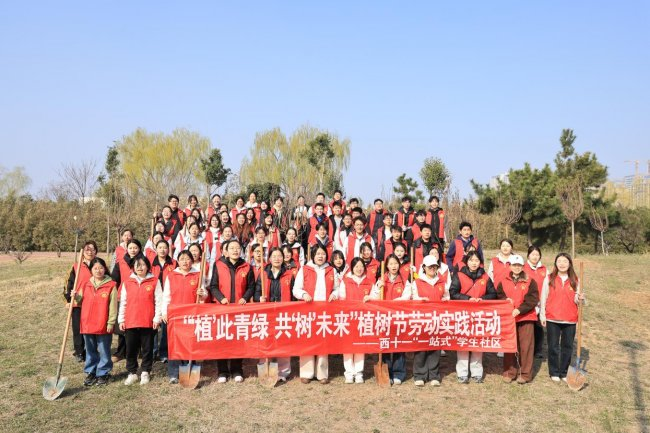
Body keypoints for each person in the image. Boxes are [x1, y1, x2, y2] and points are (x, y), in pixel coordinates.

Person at [209, 240, 256, 383]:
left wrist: (245, 298)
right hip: (222, 308)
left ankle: (237, 370)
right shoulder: (218, 265)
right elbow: (213, 286)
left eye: (237, 248)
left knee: (238, 339)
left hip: (239, 310)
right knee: (222, 339)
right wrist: (221, 298)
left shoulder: (247, 266)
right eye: (232, 248)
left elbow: (251, 287)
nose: (235, 250)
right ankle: (222, 371)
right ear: (226, 251)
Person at [292, 245, 339, 384]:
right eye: (318, 254)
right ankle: (307, 373)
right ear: (313, 255)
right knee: (307, 340)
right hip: (308, 310)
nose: (320, 256)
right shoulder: (305, 269)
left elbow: (338, 288)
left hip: (325, 311)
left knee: (323, 341)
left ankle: (322, 373)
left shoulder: (331, 270)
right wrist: (303, 294)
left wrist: (334, 294)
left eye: (323, 254)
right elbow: (296, 289)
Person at [449, 251, 497, 383]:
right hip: (463, 314)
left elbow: (493, 293)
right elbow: (453, 292)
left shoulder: (485, 276)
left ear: (480, 262)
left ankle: (477, 372)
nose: (474, 263)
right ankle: (462, 373)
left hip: (479, 316)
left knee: (477, 343)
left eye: (476, 260)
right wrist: (467, 299)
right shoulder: (459, 275)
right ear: (467, 262)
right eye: (471, 260)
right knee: (463, 342)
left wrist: (483, 299)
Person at [162, 250, 208, 384]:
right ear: (178, 261)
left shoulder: (198, 275)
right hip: (175, 314)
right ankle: (174, 373)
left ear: (192, 261)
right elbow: (166, 296)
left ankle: (191, 367)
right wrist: (165, 312)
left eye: (187, 259)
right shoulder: (171, 276)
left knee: (190, 342)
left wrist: (202, 293)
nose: (185, 262)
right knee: (175, 343)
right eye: (182, 259)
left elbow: (204, 294)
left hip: (191, 314)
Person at [540, 253, 585, 383]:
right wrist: (542, 314)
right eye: (559, 261)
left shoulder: (575, 280)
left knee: (567, 347)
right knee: (553, 346)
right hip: (552, 317)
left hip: (570, 318)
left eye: (565, 261)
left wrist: (581, 298)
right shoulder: (549, 278)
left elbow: (578, 299)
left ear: (569, 264)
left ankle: (564, 372)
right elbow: (543, 297)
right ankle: (554, 372)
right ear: (555, 263)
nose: (562, 264)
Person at [118, 255, 162, 386]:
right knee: (131, 348)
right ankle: (132, 372)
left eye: (143, 264)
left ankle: (145, 371)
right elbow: (123, 302)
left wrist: (157, 318)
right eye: (137, 265)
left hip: (148, 321)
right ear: (133, 267)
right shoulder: (127, 282)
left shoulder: (154, 281)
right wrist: (121, 319)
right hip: (131, 320)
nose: (140, 267)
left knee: (147, 348)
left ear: (147, 266)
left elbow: (159, 301)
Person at [495, 254, 539, 384]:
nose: (517, 267)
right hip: (509, 318)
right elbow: (499, 295)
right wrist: (505, 300)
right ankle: (509, 372)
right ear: (510, 266)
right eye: (514, 265)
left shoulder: (530, 281)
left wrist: (520, 309)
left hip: (526, 317)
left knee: (526, 347)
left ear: (523, 266)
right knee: (510, 346)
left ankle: (525, 374)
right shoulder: (503, 280)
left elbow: (532, 299)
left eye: (519, 265)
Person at [368, 254, 411, 385]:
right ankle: (388, 372)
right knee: (385, 344)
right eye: (391, 264)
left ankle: (398, 373)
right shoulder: (381, 280)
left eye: (396, 263)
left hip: (399, 317)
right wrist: (378, 288)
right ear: (386, 265)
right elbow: (373, 297)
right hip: (384, 317)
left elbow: (407, 296)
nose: (394, 266)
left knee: (399, 344)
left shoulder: (404, 280)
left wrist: (393, 303)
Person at [254, 247, 295, 381]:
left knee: (283, 341)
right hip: (267, 313)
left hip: (283, 314)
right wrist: (259, 298)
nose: (277, 258)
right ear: (270, 259)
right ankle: (264, 367)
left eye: (279, 256)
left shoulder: (289, 275)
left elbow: (294, 296)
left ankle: (283, 372)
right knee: (265, 341)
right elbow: (256, 293)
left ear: (283, 258)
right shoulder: (263, 274)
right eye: (274, 256)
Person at [75, 257, 117, 387]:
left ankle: (103, 372)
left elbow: (113, 306)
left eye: (101, 268)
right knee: (90, 349)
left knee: (104, 349)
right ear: (91, 270)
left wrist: (111, 322)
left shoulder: (111, 285)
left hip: (103, 323)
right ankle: (91, 371)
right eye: (95, 268)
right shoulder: (86, 284)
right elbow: (79, 301)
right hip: (87, 323)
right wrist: (75, 296)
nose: (98, 271)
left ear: (105, 269)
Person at [411, 256, 450, 386]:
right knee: (421, 347)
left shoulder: (442, 282)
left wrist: (445, 301)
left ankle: (434, 375)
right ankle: (419, 375)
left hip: (437, 319)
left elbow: (447, 297)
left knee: (435, 346)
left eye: (434, 266)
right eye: (430, 267)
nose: (432, 269)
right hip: (421, 319)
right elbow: (413, 298)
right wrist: (420, 300)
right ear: (424, 268)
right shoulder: (417, 282)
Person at [338, 257, 373, 384]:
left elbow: (374, 296)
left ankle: (358, 373)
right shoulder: (346, 281)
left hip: (363, 318)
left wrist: (370, 297)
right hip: (348, 318)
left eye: (361, 266)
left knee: (360, 346)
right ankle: (349, 373)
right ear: (352, 268)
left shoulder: (369, 282)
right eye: (356, 266)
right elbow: (341, 297)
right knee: (348, 346)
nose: (359, 269)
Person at [64, 240, 97, 363]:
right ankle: (79, 351)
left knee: (91, 327)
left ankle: (91, 350)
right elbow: (68, 284)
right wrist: (69, 299)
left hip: (94, 302)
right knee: (78, 328)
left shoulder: (99, 265)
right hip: (78, 303)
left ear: (96, 251)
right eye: (87, 249)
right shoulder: (76, 266)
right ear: (83, 252)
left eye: (92, 249)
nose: (90, 252)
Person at [110, 238, 142, 363]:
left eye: (135, 248)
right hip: (122, 297)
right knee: (122, 326)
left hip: (138, 297)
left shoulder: (143, 262)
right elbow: (114, 279)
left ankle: (136, 351)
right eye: (130, 248)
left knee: (137, 325)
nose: (133, 250)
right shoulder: (121, 262)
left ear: (139, 249)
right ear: (127, 249)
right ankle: (121, 352)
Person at [150, 239, 176, 363]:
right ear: (156, 249)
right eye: (160, 247)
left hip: (168, 297)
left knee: (166, 326)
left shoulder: (174, 263)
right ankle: (153, 351)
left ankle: (164, 352)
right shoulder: (151, 263)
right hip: (153, 296)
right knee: (154, 324)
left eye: (165, 247)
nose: (162, 250)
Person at [523, 245, 548, 358]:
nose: (535, 257)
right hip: (527, 302)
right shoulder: (523, 268)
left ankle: (538, 350)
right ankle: (527, 349)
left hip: (540, 302)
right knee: (527, 327)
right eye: (532, 254)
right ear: (528, 255)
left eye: (537, 255)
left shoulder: (544, 269)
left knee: (538, 327)